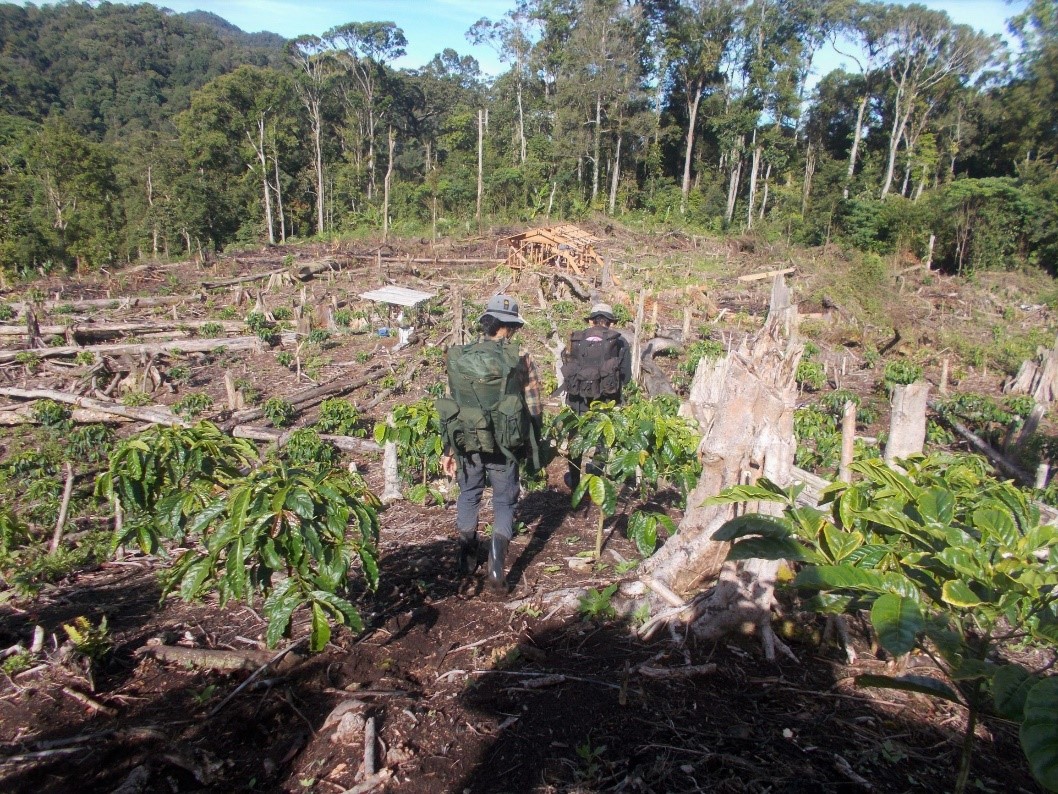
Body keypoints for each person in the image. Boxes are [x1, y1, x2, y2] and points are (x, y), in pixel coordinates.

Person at [440, 294, 542, 593]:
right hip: (504, 444)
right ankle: (497, 570)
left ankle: (467, 556)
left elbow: (454, 403)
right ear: (509, 328)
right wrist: (532, 443)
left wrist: (449, 449)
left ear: (487, 323)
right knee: (503, 500)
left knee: (469, 493)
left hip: (468, 440)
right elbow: (534, 406)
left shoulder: (460, 356)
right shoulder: (521, 358)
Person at [561, 302, 632, 491]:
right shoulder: (619, 341)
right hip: (606, 401)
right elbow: (626, 377)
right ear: (610, 322)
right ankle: (594, 482)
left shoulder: (577, 339)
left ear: (591, 320)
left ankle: (575, 482)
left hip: (577, 400)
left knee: (575, 440)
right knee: (602, 441)